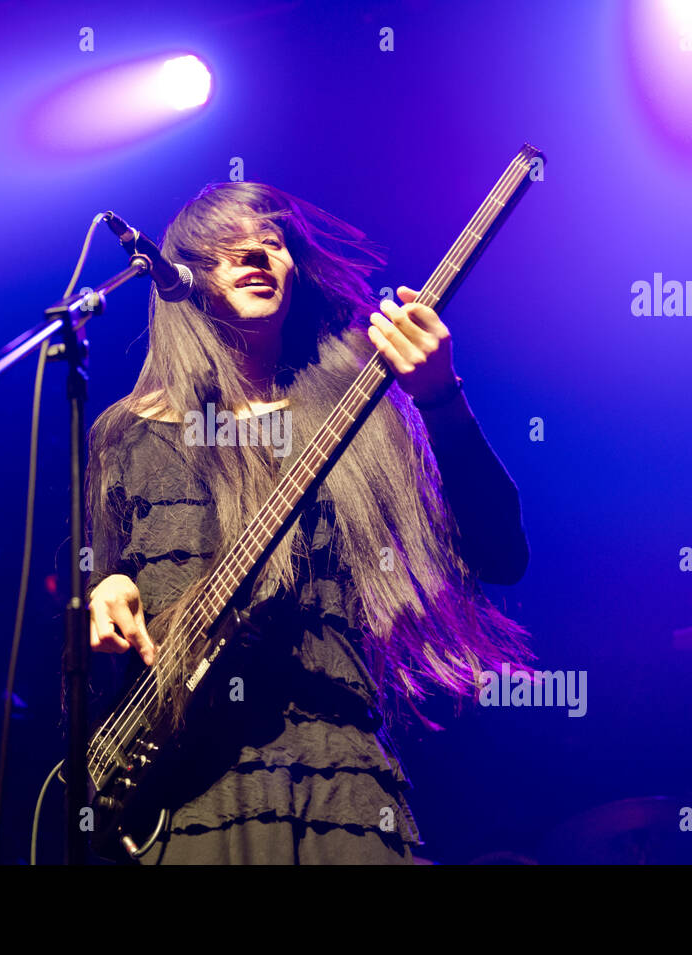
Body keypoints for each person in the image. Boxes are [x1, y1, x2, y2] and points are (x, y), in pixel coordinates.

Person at [84, 181, 531, 864]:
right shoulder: (128, 434)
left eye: (275, 241)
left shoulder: (358, 409)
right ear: (185, 274)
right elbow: (101, 593)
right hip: (186, 793)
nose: (260, 253)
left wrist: (441, 396)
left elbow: (500, 554)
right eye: (231, 244)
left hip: (338, 778)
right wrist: (107, 586)